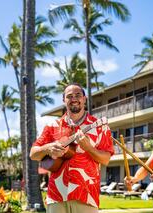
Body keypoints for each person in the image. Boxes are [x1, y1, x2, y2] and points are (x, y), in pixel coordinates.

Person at [30, 83, 114, 213]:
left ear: (84, 99)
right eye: (69, 96)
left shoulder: (99, 126)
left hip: (86, 195)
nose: (74, 99)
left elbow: (106, 160)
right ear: (64, 101)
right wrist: (48, 148)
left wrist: (89, 148)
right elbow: (33, 154)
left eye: (78, 95)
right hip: (56, 195)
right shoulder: (52, 126)